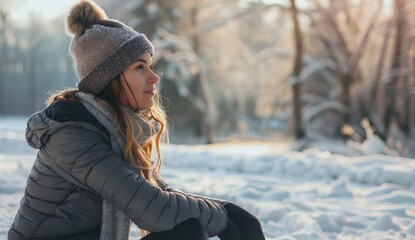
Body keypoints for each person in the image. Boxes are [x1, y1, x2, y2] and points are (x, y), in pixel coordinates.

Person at [8, 1, 266, 240]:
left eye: (151, 65)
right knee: (187, 233)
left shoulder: (112, 128)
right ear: (108, 77)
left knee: (193, 226)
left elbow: (157, 194)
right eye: (140, 67)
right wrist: (223, 217)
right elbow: (153, 208)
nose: (154, 77)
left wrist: (225, 210)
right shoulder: (73, 136)